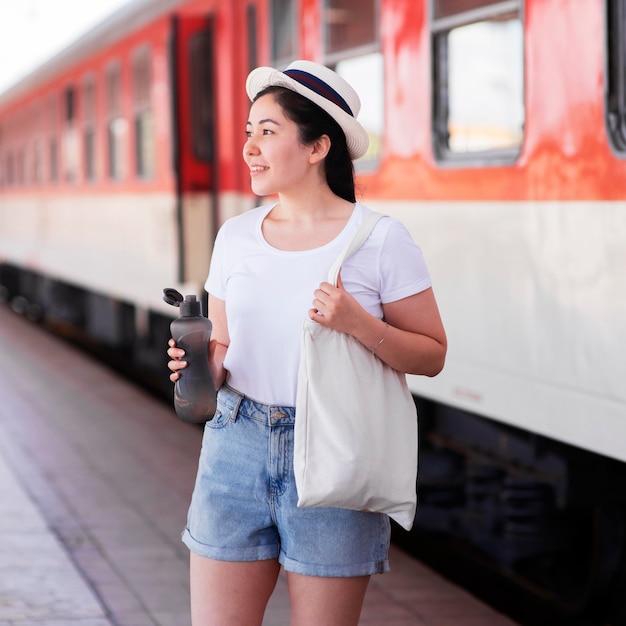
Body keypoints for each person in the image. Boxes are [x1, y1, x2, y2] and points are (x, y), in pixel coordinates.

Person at [167, 59, 447, 626]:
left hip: (335, 449)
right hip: (235, 442)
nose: (249, 147)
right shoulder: (236, 236)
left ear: (318, 147)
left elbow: (433, 354)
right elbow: (222, 345)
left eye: (267, 132)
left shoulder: (380, 241)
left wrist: (358, 324)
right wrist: (200, 366)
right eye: (248, 132)